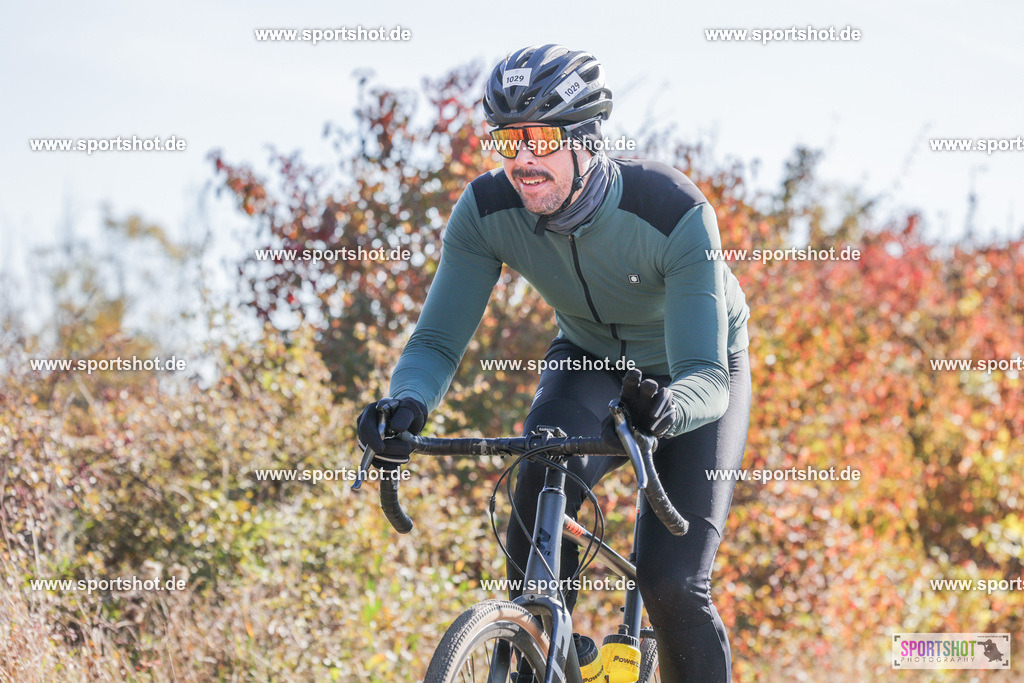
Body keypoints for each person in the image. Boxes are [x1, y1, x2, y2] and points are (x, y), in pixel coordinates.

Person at [358, 43, 751, 682]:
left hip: (695, 375)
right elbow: (434, 343)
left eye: (539, 138)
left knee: (672, 583)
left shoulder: (673, 210)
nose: (522, 161)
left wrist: (667, 407)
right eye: (506, 142)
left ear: (587, 139)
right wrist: (407, 404)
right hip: (590, 359)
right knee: (539, 475)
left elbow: (706, 378)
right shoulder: (486, 211)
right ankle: (545, 656)